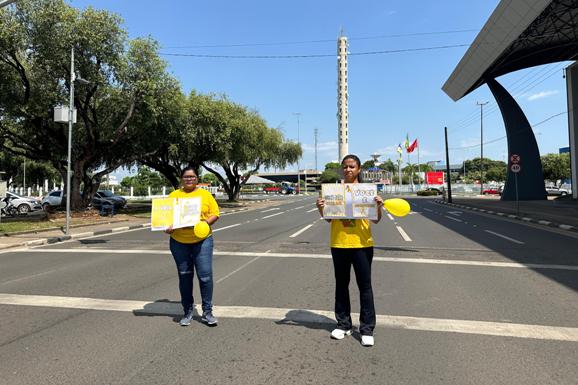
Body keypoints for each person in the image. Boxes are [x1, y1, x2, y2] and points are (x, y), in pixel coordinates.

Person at [316, 154, 383, 347]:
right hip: (339, 244)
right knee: (341, 285)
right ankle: (343, 324)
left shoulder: (366, 191)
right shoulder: (334, 191)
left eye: (352, 166)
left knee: (365, 287)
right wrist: (321, 208)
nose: (348, 170)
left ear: (359, 169)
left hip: (362, 244)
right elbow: (329, 218)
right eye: (345, 167)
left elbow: (376, 220)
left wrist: (378, 206)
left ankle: (367, 329)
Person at [165, 167, 220, 327]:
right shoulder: (174, 196)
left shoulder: (205, 194)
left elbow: (215, 213)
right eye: (186, 177)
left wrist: (205, 223)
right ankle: (188, 311)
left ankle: (207, 312)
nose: (189, 179)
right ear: (181, 178)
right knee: (184, 276)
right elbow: (166, 217)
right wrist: (166, 226)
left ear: (197, 178)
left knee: (205, 276)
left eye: (192, 177)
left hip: (202, 241)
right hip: (179, 242)